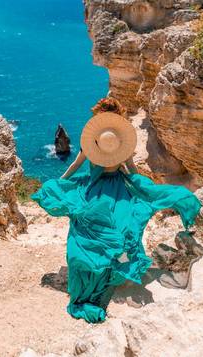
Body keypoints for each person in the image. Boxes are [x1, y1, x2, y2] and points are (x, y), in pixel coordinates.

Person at [31, 110, 202, 324]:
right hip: (120, 191)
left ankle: (90, 278)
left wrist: (58, 183)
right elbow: (132, 173)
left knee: (87, 234)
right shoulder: (121, 148)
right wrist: (143, 190)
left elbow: (74, 166)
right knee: (121, 232)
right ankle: (113, 272)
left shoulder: (89, 146)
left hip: (94, 192)